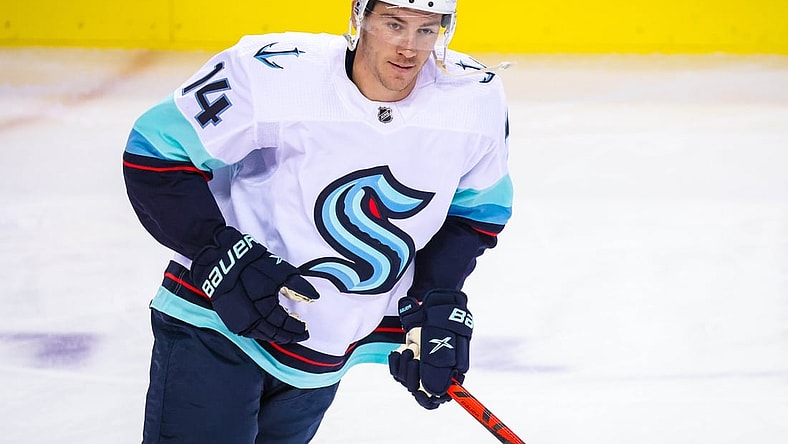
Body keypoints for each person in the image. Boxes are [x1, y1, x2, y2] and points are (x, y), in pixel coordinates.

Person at [122, 0, 513, 442]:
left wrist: (434, 302)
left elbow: (475, 214)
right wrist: (219, 253)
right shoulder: (273, 73)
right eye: (394, 24)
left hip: (324, 348)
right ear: (360, 15)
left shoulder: (473, 100)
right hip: (217, 324)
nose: (409, 48)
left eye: (427, 30)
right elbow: (156, 152)